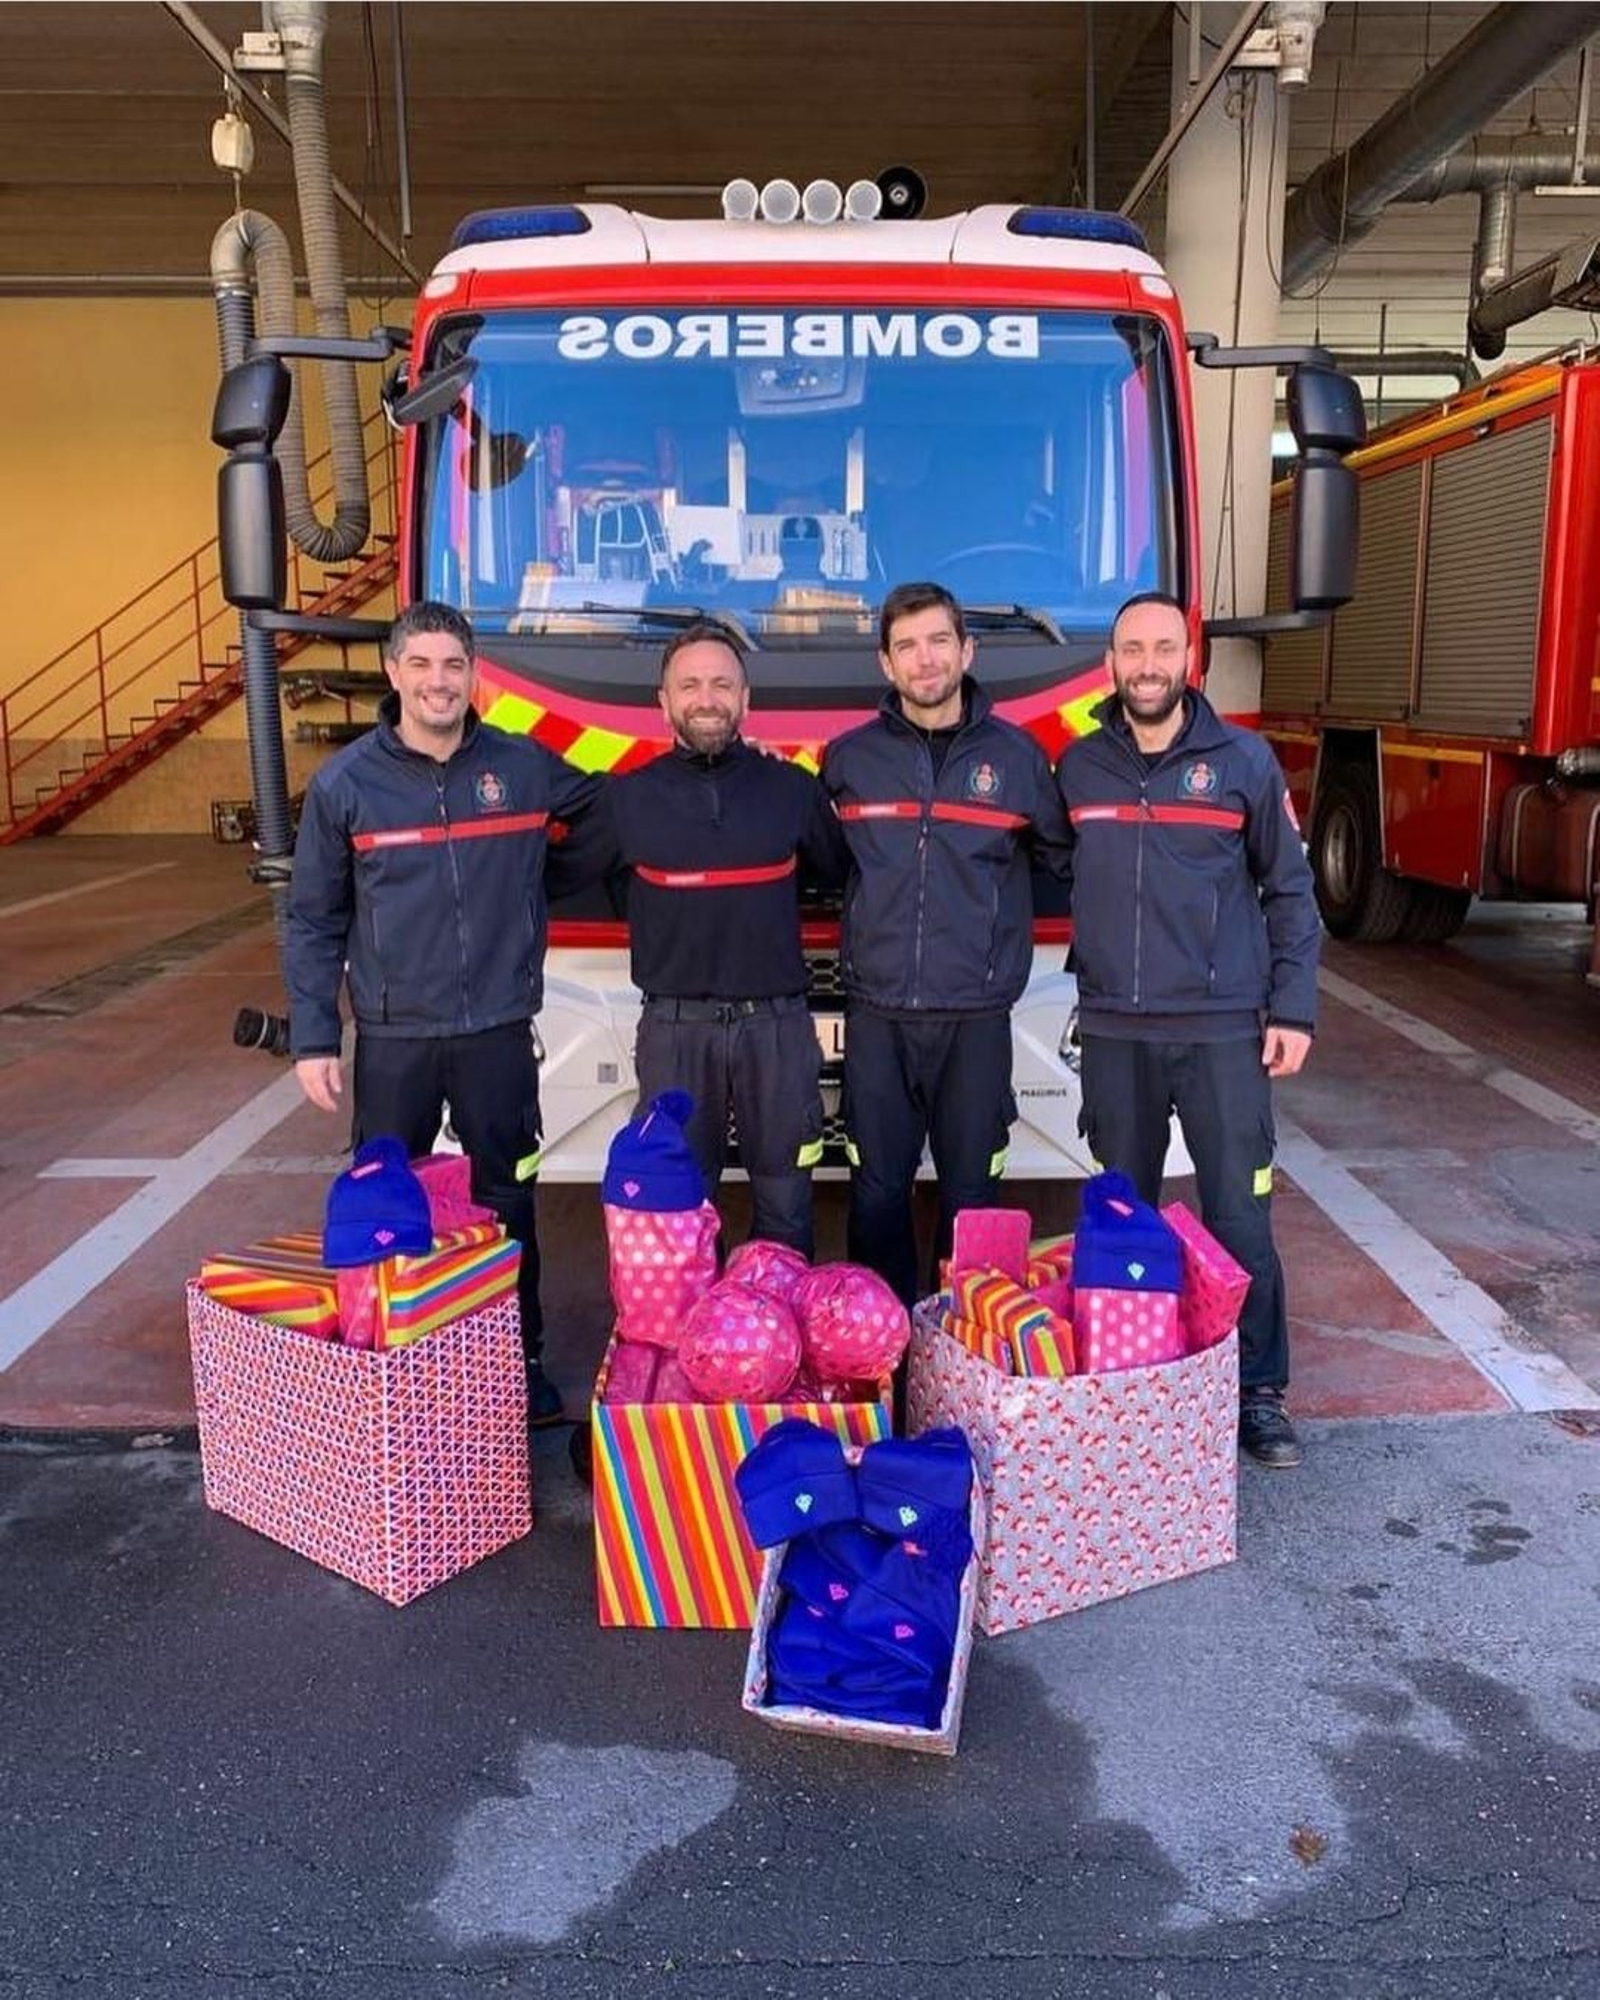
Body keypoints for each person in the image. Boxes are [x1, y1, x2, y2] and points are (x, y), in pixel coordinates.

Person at [285, 599, 606, 1425]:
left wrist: (531, 891)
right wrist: (317, 1035)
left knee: (508, 1201)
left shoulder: (523, 768)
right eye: (421, 665)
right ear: (394, 673)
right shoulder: (345, 785)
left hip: (498, 1030)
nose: (438, 682)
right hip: (395, 1037)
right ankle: (390, 1364)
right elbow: (313, 917)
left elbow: (604, 819)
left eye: (453, 667)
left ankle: (515, 1362)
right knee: (385, 1203)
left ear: (474, 678)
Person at [1053, 590, 1321, 1469]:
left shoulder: (1243, 762)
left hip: (1220, 1033)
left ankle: (1259, 1392)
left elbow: (1290, 893)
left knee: (1239, 1216)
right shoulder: (1079, 768)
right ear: (1112, 665)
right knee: (1122, 1214)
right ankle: (1131, 1383)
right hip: (1116, 1031)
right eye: (1132, 649)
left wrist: (1293, 1008)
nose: (1147, 664)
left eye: (1163, 647)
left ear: (1189, 656)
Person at [821, 581, 1073, 1306]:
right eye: (906, 646)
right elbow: (830, 864)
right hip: (878, 1016)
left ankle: (958, 1352)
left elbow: (1064, 860)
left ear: (967, 649)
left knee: (973, 1199)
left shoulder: (1019, 759)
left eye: (938, 641)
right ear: (885, 663)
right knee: (875, 1194)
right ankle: (880, 1351)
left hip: (976, 1021)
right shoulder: (849, 760)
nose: (924, 660)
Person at [603, 623, 848, 1255]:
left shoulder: (791, 789)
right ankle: (691, 1346)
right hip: (675, 1030)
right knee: (679, 1203)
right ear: (663, 701)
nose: (706, 698)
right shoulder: (627, 799)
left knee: (788, 1199)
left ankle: (781, 1343)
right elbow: (578, 878)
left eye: (721, 684)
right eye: (690, 685)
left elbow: (838, 871)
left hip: (778, 1028)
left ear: (745, 699)